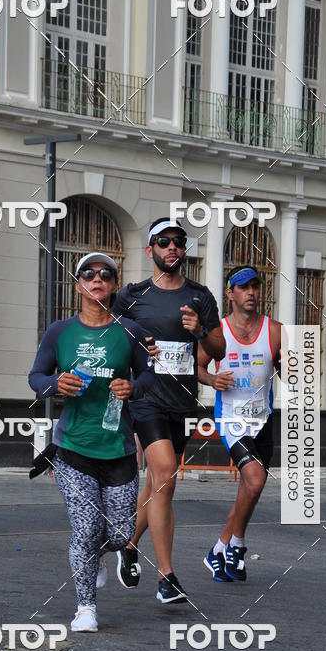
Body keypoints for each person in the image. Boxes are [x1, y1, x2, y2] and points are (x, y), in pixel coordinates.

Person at [28, 253, 154, 632]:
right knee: (85, 529)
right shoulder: (60, 331)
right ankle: (85, 608)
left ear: (114, 285)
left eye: (105, 274)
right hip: (73, 448)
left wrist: (133, 387)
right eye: (88, 274)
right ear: (78, 285)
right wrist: (55, 385)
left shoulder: (129, 330)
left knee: (117, 534)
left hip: (118, 448)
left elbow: (150, 377)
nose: (97, 279)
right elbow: (36, 376)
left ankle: (100, 554)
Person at [111, 218, 225, 603]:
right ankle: (166, 577)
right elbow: (109, 335)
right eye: (164, 241)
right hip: (145, 399)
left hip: (181, 403)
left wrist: (200, 332)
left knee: (157, 484)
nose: (172, 247)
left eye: (178, 241)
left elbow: (220, 349)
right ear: (150, 250)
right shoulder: (131, 295)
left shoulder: (200, 296)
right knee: (165, 476)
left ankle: (128, 544)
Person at [197, 265, 281, 582]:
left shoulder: (275, 330)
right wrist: (212, 379)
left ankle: (218, 550)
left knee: (249, 489)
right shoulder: (217, 332)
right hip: (231, 417)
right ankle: (238, 545)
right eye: (243, 287)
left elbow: (293, 373)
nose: (251, 293)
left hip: (263, 419)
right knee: (256, 480)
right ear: (230, 293)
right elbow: (198, 368)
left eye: (255, 287)